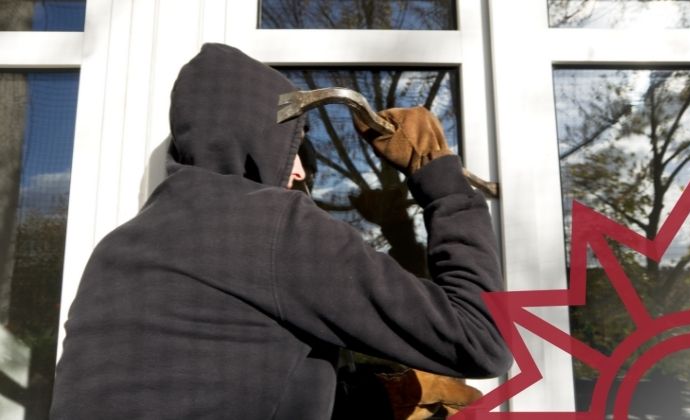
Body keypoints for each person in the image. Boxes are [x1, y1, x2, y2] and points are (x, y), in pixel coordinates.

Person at [50, 43, 511, 419]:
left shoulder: (120, 246)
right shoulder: (264, 225)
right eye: (295, 146)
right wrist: (442, 183)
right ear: (258, 137)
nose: (298, 173)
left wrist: (372, 398)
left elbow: (212, 387)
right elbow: (479, 339)